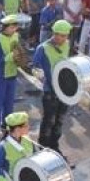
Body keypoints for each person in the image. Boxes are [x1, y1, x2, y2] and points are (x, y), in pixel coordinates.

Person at [32, 20, 73, 151]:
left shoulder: (67, 45)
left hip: (65, 91)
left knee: (59, 121)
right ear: (53, 33)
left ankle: (55, 146)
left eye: (64, 36)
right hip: (50, 92)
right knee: (48, 121)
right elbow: (34, 68)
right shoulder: (42, 49)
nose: (61, 38)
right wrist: (41, 76)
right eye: (58, 35)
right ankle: (43, 147)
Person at [0, 15, 21, 139]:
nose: (14, 29)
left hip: (12, 74)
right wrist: (12, 56)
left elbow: (19, 50)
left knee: (9, 103)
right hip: (1, 76)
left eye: (15, 27)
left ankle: (6, 125)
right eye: (12, 27)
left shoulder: (16, 36)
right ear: (5, 27)